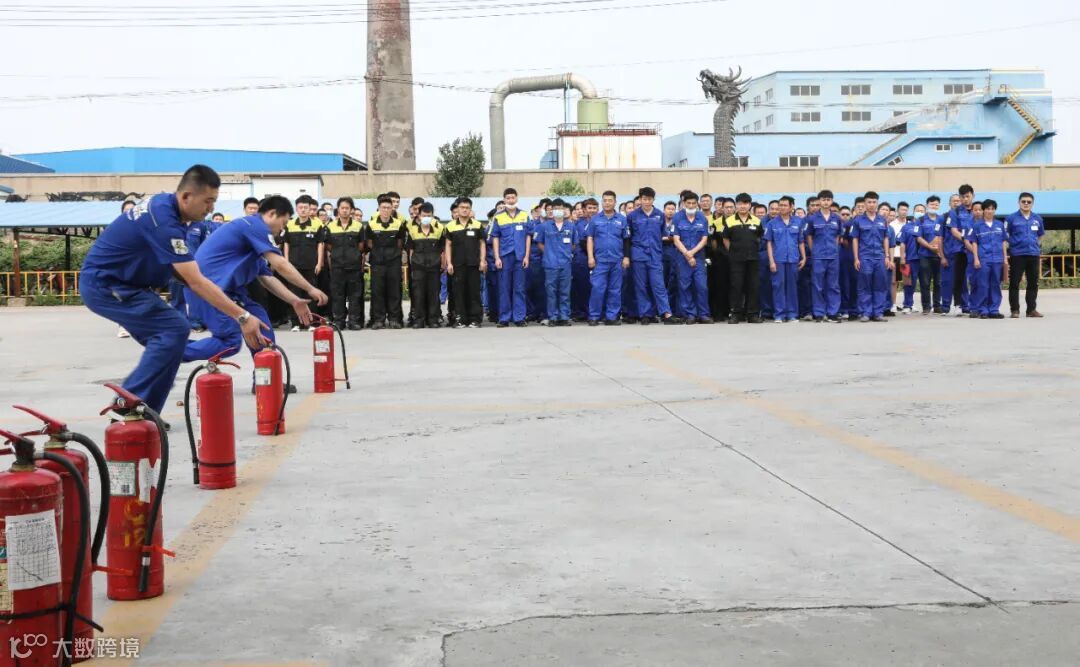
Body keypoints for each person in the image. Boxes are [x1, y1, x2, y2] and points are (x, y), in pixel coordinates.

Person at [80, 165, 270, 414]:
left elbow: (186, 274)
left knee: (172, 342)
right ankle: (128, 404)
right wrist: (242, 316)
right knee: (175, 329)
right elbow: (194, 280)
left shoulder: (170, 211)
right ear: (186, 196)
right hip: (107, 285)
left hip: (129, 286)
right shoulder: (164, 221)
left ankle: (145, 413)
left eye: (214, 201)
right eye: (208, 201)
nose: (211, 208)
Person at [183, 195, 328, 365]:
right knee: (229, 341)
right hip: (206, 290)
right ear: (272, 214)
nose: (283, 228)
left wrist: (294, 300)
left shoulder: (254, 241)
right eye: (283, 222)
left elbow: (267, 278)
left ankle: (266, 376)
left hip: (229, 292)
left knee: (261, 324)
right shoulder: (253, 225)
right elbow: (280, 264)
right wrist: (310, 288)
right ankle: (168, 354)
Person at [627, 187, 677, 325]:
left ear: (653, 200)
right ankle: (645, 314)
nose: (647, 202)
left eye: (649, 199)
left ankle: (666, 313)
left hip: (655, 255)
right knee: (641, 286)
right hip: (638, 255)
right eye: (644, 199)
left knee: (659, 285)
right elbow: (628, 237)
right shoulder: (632, 216)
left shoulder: (659, 215)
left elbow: (662, 234)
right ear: (640, 199)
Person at [586, 191, 630, 326]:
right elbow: (590, 238)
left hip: (617, 260)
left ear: (615, 202)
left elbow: (626, 239)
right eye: (605, 200)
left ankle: (611, 317)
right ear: (602, 202)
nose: (607, 203)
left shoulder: (622, 219)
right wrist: (590, 257)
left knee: (615, 290)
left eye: (610, 200)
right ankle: (594, 316)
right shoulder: (595, 219)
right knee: (597, 288)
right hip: (600, 261)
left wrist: (626, 257)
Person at [283, 195, 325, 331]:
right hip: (293, 266)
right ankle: (296, 323)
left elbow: (320, 244)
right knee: (294, 294)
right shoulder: (290, 225)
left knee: (311, 294)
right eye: (300, 207)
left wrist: (319, 263)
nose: (303, 210)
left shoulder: (317, 224)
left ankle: (311, 323)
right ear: (296, 209)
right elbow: (286, 244)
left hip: (311, 265)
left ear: (309, 209)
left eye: (305, 207)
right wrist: (286, 262)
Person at [491, 188, 532, 327]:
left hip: (520, 256)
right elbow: (495, 238)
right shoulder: (498, 217)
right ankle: (504, 318)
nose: (511, 200)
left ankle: (519, 317)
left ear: (517, 198)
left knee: (519, 288)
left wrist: (527, 256)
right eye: (508, 198)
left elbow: (528, 236)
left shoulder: (524, 215)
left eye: (513, 197)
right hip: (505, 257)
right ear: (504, 200)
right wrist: (497, 258)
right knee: (504, 288)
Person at [323, 196, 366, 330]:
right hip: (337, 267)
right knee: (338, 295)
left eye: (347, 208)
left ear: (351, 210)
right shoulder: (330, 227)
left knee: (355, 296)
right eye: (342, 208)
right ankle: (339, 321)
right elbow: (328, 246)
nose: (345, 210)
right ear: (338, 209)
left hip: (354, 267)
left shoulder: (358, 226)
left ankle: (354, 321)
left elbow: (361, 246)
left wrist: (353, 256)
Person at [850, 191, 892, 322]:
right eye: (869, 202)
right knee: (865, 286)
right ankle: (866, 313)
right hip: (865, 257)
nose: (872, 204)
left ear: (877, 203)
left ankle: (878, 313)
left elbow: (886, 238)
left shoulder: (882, 220)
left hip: (879, 257)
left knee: (880, 285)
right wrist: (856, 258)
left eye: (874, 202)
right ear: (865, 203)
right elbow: (855, 239)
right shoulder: (858, 220)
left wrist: (887, 256)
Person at [534, 198, 578, 326]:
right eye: (555, 208)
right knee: (551, 292)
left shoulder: (571, 226)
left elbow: (574, 243)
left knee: (565, 291)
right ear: (552, 211)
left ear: (564, 210)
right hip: (550, 264)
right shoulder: (544, 226)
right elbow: (540, 243)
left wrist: (566, 253)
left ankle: (564, 316)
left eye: (560, 208)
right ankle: (552, 317)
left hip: (565, 264)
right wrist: (548, 252)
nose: (558, 210)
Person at [445, 197, 487, 328]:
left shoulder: (477, 225)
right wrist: (449, 263)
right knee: (459, 292)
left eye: (467, 208)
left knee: (474, 292)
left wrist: (482, 261)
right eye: (462, 207)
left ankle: (475, 319)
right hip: (457, 265)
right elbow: (448, 245)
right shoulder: (450, 226)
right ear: (457, 209)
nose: (464, 210)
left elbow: (482, 244)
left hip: (474, 264)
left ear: (470, 210)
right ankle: (460, 319)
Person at [722, 193, 763, 324]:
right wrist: (734, 252)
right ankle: (735, 314)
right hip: (736, 260)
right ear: (736, 205)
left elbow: (759, 238)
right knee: (736, 286)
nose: (742, 206)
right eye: (740, 203)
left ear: (750, 205)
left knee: (753, 286)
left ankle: (752, 314)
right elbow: (725, 239)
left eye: (745, 203)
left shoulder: (756, 221)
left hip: (753, 259)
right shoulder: (729, 221)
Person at [804, 190, 842, 323]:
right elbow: (809, 236)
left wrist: (834, 249)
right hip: (818, 257)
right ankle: (819, 313)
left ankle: (832, 313)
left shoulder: (837, 218)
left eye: (828, 199)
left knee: (833, 285)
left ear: (831, 201)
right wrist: (813, 250)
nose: (826, 202)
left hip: (833, 256)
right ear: (819, 201)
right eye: (823, 199)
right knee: (817, 285)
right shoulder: (812, 218)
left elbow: (838, 235)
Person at [673, 192, 710, 324]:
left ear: (697, 204)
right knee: (685, 286)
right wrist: (687, 255)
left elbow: (704, 239)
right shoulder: (677, 217)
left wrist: (692, 253)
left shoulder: (702, 218)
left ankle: (703, 314)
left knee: (702, 286)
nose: (691, 205)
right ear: (684, 203)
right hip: (682, 258)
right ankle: (690, 314)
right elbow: (676, 239)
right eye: (688, 203)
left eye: (694, 203)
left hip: (698, 257)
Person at [1005, 192, 1045, 318]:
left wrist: (1034, 245)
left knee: (1033, 283)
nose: (1026, 204)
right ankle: (1015, 310)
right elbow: (1005, 235)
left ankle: (1031, 310)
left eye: (1029, 202)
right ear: (1019, 202)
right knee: (1014, 283)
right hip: (1017, 254)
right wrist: (1013, 245)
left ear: (1032, 203)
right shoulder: (1011, 218)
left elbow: (1040, 235)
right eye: (1023, 201)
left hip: (1033, 254)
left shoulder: (1037, 218)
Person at [405, 203, 445, 328]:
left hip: (434, 267)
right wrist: (412, 265)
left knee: (434, 294)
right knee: (418, 294)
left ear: (432, 216)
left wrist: (443, 264)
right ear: (419, 216)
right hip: (418, 267)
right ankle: (418, 320)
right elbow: (411, 250)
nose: (426, 218)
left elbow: (442, 249)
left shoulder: (439, 229)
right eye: (424, 215)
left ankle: (433, 320)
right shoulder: (413, 231)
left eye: (429, 215)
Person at [967, 199, 1008, 319]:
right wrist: (976, 259)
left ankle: (994, 310)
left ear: (995, 210)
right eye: (987, 209)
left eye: (992, 209)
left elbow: (1003, 242)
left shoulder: (1000, 225)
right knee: (983, 285)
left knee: (996, 285)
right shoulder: (977, 226)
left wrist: (1005, 258)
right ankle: (983, 310)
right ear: (983, 210)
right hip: (983, 259)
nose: (990, 211)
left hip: (997, 259)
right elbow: (974, 243)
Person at [942, 187, 974, 315]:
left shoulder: (978, 209)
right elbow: (954, 231)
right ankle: (958, 305)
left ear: (972, 196)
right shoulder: (954, 212)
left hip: (976, 249)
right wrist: (965, 240)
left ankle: (975, 305)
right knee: (959, 278)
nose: (965, 199)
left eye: (967, 196)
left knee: (976, 278)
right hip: (959, 249)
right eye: (963, 197)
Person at [916, 196, 945, 314]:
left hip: (939, 255)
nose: (934, 206)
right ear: (927, 205)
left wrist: (938, 250)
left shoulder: (942, 219)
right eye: (932, 204)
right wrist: (929, 247)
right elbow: (918, 237)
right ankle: (926, 306)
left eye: (936, 204)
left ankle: (937, 306)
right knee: (925, 282)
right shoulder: (921, 220)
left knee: (939, 282)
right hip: (925, 255)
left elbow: (944, 236)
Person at [570, 198, 596, 321]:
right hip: (582, 259)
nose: (591, 210)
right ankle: (581, 313)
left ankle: (595, 312)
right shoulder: (578, 224)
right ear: (585, 210)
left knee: (597, 287)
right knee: (582, 287)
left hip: (599, 258)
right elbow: (579, 241)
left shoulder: (600, 221)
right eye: (589, 208)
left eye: (594, 208)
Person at [797, 196, 819, 321]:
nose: (815, 208)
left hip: (822, 257)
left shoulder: (825, 221)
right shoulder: (801, 222)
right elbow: (799, 240)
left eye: (817, 205)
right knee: (805, 285)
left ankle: (819, 311)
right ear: (807, 207)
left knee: (819, 285)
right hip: (806, 257)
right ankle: (807, 311)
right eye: (812, 205)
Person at [897, 202, 921, 314]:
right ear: (913, 212)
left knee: (923, 283)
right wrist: (902, 258)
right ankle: (907, 305)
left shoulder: (925, 226)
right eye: (918, 210)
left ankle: (925, 305)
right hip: (910, 259)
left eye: (922, 211)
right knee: (908, 282)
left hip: (925, 259)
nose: (920, 212)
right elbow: (902, 243)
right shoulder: (906, 227)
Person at [839, 200, 861, 320]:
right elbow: (843, 240)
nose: (861, 208)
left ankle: (857, 309)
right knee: (846, 284)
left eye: (847, 214)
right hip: (847, 258)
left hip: (862, 258)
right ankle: (845, 309)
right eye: (858, 207)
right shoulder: (847, 225)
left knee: (858, 285)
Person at [758, 200, 779, 320]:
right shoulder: (760, 223)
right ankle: (766, 311)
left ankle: (778, 310)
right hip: (763, 257)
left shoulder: (783, 221)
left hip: (780, 256)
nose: (774, 211)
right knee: (765, 284)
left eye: (777, 209)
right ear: (768, 209)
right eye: (772, 208)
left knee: (778, 285)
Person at [661, 200, 681, 319]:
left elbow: (676, 238)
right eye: (668, 209)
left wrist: (667, 238)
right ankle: (662, 310)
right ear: (664, 210)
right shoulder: (660, 222)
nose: (670, 211)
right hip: (662, 256)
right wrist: (669, 238)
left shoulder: (677, 222)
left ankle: (672, 310)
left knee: (673, 283)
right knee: (662, 283)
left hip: (674, 255)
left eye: (673, 209)